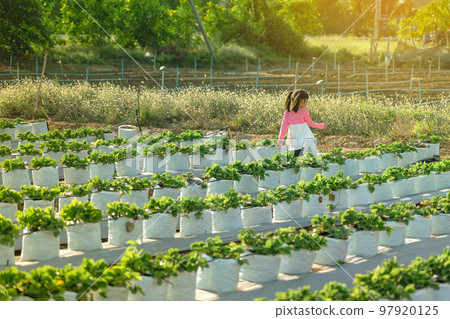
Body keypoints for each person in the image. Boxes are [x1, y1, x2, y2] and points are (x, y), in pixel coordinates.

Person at [277, 89, 326, 157]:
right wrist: (322, 126)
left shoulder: (287, 113)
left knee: (296, 157)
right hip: (305, 138)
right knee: (307, 157)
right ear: (302, 101)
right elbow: (311, 123)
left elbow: (283, 127)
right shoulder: (304, 112)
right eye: (306, 101)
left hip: (294, 139)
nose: (307, 103)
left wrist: (280, 140)